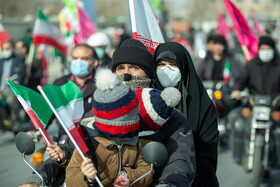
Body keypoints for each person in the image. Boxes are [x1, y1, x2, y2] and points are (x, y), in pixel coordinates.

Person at [111, 39, 196, 186]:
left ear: (148, 73)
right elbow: (81, 148)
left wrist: (170, 182)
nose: (126, 74)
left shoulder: (167, 114)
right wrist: (64, 155)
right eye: (120, 68)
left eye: (134, 67)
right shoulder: (100, 109)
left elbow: (181, 156)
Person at [20, 43, 99, 187]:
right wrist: (34, 129)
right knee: (49, 160)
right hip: (65, 139)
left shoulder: (101, 84)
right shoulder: (60, 83)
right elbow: (47, 111)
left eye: (84, 58)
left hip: (92, 140)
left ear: (95, 62)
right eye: (75, 58)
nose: (78, 62)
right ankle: (34, 182)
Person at [65, 69, 153, 187]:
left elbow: (147, 170)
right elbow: (70, 180)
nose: (136, 120)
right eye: (129, 117)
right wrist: (87, 179)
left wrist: (129, 177)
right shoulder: (87, 144)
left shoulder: (136, 140)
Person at [153, 41, 219, 187]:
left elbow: (207, 152)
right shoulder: (146, 99)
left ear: (183, 67)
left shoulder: (202, 104)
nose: (166, 70)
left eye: (173, 65)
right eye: (161, 64)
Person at [229, 35, 280, 164]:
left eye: (268, 49)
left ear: (273, 50)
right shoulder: (251, 65)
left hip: (275, 107)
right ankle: (241, 155)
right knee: (237, 120)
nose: (265, 52)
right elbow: (240, 80)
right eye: (263, 49)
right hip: (253, 105)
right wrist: (236, 90)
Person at [0, 40, 26, 133]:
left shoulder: (19, 59)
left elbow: (21, 73)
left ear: (12, 49)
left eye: (7, 48)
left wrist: (17, 81)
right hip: (1, 89)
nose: (5, 50)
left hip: (11, 88)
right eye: (4, 49)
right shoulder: (1, 61)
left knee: (11, 100)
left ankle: (17, 121)